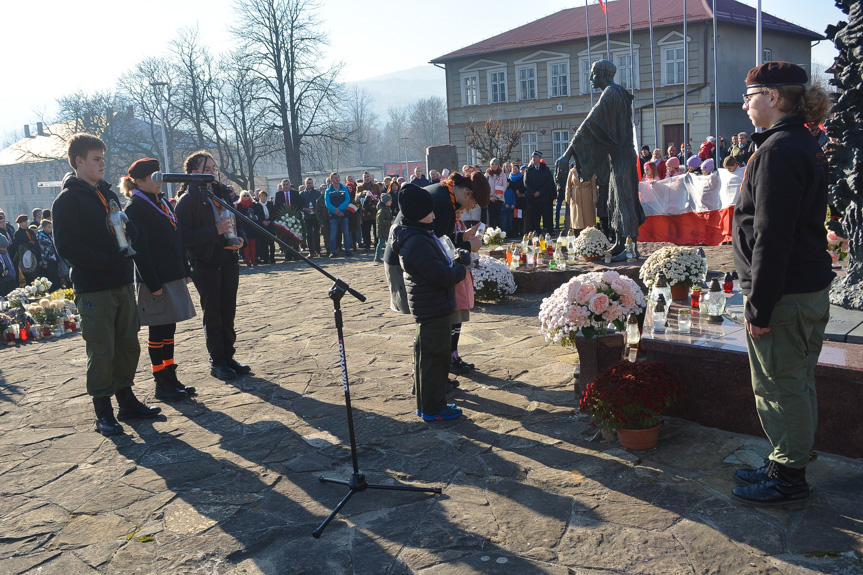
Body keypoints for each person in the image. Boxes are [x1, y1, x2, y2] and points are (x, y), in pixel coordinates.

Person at [731, 62, 834, 507]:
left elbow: (772, 235)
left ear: (773, 97)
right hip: (802, 288)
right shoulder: (799, 142)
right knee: (796, 381)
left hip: (785, 294)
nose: (744, 103)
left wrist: (760, 305)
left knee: (780, 385)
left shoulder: (778, 150)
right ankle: (784, 460)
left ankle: (789, 478)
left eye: (750, 95)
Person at [53, 133, 160, 436]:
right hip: (94, 287)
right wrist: (107, 259)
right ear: (79, 161)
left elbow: (125, 228)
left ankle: (126, 401)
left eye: (103, 158)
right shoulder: (67, 200)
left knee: (128, 343)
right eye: (97, 159)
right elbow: (67, 248)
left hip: (121, 282)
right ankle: (103, 412)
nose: (103, 164)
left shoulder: (108, 194)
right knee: (101, 350)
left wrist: (131, 231)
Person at [388, 184, 470, 421]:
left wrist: (455, 257)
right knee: (434, 359)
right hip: (432, 307)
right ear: (417, 213)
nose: (434, 216)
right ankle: (433, 408)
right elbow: (441, 275)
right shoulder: (416, 241)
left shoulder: (419, 234)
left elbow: (440, 264)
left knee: (431, 357)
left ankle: (428, 404)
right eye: (430, 211)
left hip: (432, 305)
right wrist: (461, 267)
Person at [121, 158, 196, 402]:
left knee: (170, 328)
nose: (159, 180)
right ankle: (160, 381)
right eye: (154, 176)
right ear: (140, 181)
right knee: (158, 328)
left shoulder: (161, 201)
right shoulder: (136, 206)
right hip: (155, 279)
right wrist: (152, 284)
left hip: (171, 274)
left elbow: (176, 237)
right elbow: (140, 250)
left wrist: (184, 268)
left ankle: (171, 375)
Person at [174, 150, 251, 381]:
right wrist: (214, 231)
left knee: (228, 310)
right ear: (193, 172)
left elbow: (238, 221)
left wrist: (241, 240)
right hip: (206, 264)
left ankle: (229, 356)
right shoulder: (186, 201)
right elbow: (184, 237)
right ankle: (217, 361)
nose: (212, 173)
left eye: (213, 169)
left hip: (229, 260)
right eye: (206, 170)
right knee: (214, 313)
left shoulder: (221, 195)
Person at [556, 59, 645, 256]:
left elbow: (590, 123)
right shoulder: (615, 92)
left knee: (625, 201)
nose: (590, 78)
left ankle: (631, 248)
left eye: (593, 74)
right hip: (618, 156)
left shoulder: (612, 93)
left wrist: (567, 153)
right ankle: (622, 244)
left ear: (604, 75)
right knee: (614, 201)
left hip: (622, 155)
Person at [526, 151, 556, 233]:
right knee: (535, 216)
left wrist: (540, 192)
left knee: (547, 215)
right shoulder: (529, 170)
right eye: (532, 157)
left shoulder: (545, 169)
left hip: (544, 197)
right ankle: (537, 231)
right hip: (534, 198)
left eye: (535, 157)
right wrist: (533, 192)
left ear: (539, 158)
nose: (534, 159)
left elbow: (548, 183)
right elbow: (526, 183)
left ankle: (549, 230)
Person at [325, 172, 353, 257]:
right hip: (333, 216)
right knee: (333, 234)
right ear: (331, 180)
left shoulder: (344, 189)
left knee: (346, 233)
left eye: (338, 177)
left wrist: (340, 209)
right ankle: (333, 251)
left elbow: (347, 200)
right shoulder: (328, 191)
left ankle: (347, 250)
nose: (337, 179)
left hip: (344, 214)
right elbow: (327, 203)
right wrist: (335, 210)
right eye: (335, 178)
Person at [565, 163, 597, 235]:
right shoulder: (572, 171)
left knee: (588, 216)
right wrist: (567, 197)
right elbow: (568, 185)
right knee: (576, 217)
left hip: (587, 194)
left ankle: (589, 234)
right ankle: (577, 233)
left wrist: (594, 197)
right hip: (575, 196)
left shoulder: (590, 170)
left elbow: (594, 185)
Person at [12, 214, 42, 284]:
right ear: (20, 223)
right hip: (25, 257)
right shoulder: (17, 234)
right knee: (29, 277)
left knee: (37, 276)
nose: (26, 223)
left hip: (34, 255)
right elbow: (17, 247)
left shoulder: (31, 232)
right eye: (24, 222)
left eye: (26, 221)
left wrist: (39, 258)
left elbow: (37, 245)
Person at [357, 171, 381, 253]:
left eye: (368, 176)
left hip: (374, 212)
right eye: (365, 177)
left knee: (376, 229)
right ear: (363, 178)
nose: (366, 178)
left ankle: (376, 244)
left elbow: (379, 197)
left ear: (370, 177)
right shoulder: (359, 188)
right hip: (365, 213)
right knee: (365, 229)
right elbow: (357, 199)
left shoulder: (376, 186)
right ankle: (367, 245)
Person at [235, 190, 259, 267]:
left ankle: (254, 260)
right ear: (241, 197)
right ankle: (248, 261)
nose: (246, 197)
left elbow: (258, 213)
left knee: (253, 245)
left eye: (247, 195)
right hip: (244, 227)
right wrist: (245, 218)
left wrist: (255, 217)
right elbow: (238, 216)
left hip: (252, 227)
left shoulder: (254, 205)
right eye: (244, 196)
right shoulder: (239, 205)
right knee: (246, 245)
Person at [299, 177, 321, 258]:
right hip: (307, 217)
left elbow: (320, 205)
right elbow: (299, 206)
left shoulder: (317, 193)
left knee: (316, 234)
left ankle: (318, 251)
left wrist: (316, 209)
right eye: (307, 183)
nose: (309, 185)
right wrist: (305, 209)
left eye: (310, 183)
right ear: (305, 184)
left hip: (315, 216)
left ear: (313, 184)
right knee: (308, 235)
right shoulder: (301, 194)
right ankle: (311, 252)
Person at [36, 219, 62, 289]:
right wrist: (44, 262)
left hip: (54, 259)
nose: (50, 229)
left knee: (57, 278)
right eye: (48, 227)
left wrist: (58, 259)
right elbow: (41, 250)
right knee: (51, 280)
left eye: (51, 227)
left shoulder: (51, 235)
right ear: (43, 227)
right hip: (48, 261)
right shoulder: (40, 236)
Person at [253, 190, 276, 264]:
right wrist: (262, 222)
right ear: (259, 197)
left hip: (270, 225)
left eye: (264, 196)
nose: (263, 197)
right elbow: (256, 216)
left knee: (271, 243)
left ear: (266, 197)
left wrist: (269, 221)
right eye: (261, 196)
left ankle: (272, 258)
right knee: (263, 243)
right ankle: (265, 258)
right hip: (262, 225)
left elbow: (273, 214)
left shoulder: (270, 204)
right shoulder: (256, 205)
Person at [485, 158, 506, 230]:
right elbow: (485, 186)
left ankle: (498, 233)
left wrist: (497, 196)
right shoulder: (487, 173)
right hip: (490, 198)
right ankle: (491, 233)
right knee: (491, 217)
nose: (494, 166)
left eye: (496, 164)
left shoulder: (502, 173)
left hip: (499, 198)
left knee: (497, 216)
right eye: (492, 164)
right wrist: (490, 196)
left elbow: (504, 185)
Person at [374, 193, 393, 263]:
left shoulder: (388, 209)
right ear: (386, 201)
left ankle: (387, 256)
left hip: (387, 230)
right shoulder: (382, 210)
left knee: (388, 244)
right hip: (382, 230)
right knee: (381, 244)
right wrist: (389, 222)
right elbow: (380, 221)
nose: (391, 202)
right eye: (390, 200)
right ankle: (377, 257)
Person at [0, 232, 17, 297]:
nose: (5, 249)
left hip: (11, 277)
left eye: (6, 247)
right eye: (3, 247)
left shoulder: (6, 252)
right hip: (4, 280)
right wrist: (2, 271)